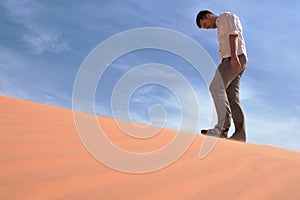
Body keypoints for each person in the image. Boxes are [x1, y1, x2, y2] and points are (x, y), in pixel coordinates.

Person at [196, 10, 248, 142]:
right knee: (232, 97)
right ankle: (239, 134)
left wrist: (234, 57)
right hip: (236, 59)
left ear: (208, 16)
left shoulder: (225, 17)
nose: (207, 28)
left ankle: (222, 128)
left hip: (233, 58)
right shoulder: (220, 25)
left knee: (216, 87)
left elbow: (233, 34)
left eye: (206, 25)